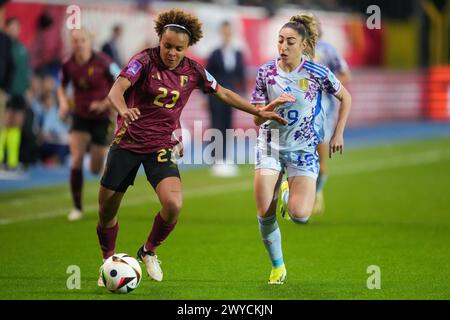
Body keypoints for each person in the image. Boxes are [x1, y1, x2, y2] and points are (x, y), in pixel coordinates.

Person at [96, 9, 291, 285]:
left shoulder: (194, 70)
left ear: (187, 48)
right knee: (106, 212)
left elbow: (222, 92)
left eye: (178, 48)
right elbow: (116, 89)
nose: (172, 53)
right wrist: (123, 109)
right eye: (167, 46)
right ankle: (108, 261)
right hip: (127, 143)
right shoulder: (143, 61)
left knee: (173, 204)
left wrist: (259, 110)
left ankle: (148, 251)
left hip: (161, 146)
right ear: (159, 41)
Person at [251, 13, 351, 284]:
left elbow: (346, 96)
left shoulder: (317, 72)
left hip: (303, 150)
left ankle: (287, 194)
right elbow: (256, 118)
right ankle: (278, 267)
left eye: (290, 42)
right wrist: (271, 107)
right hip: (269, 146)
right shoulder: (265, 73)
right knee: (264, 211)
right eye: (280, 41)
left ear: (304, 45)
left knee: (300, 215)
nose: (283, 47)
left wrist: (338, 133)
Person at [57, 28, 121, 221]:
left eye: (82, 40)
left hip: (102, 117)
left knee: (94, 168)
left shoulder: (104, 62)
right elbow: (60, 85)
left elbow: (121, 81)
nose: (78, 44)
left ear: (89, 42)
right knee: (76, 159)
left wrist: (104, 104)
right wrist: (62, 103)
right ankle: (77, 207)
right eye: (75, 40)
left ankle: (109, 198)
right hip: (80, 115)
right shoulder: (68, 64)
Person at [311, 20, 351, 215]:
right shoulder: (295, 50)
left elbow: (345, 76)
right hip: (299, 115)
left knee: (320, 160)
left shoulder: (328, 51)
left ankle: (316, 192)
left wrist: (327, 84)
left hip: (324, 112)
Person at [206, 21, 246, 177]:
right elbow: (207, 75)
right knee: (217, 126)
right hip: (216, 95)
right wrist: (205, 95)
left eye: (229, 31)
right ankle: (216, 160)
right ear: (221, 33)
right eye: (224, 31)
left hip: (231, 96)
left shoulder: (238, 53)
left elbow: (240, 75)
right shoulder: (215, 53)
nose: (226, 34)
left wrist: (242, 94)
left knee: (228, 127)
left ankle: (226, 158)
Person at [0, 17, 31, 171]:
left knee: (16, 125)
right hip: (5, 90)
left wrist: (27, 89)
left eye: (16, 27)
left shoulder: (22, 49)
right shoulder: (4, 46)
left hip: (19, 91)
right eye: (11, 27)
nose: (14, 30)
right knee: (3, 124)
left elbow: (26, 71)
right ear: (6, 28)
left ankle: (12, 161)